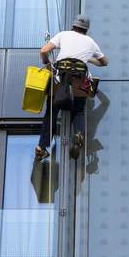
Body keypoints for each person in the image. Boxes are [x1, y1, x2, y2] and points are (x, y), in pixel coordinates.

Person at [35, 14, 108, 162]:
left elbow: (43, 51)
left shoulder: (63, 35)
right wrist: (89, 59)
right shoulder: (91, 42)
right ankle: (79, 133)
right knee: (78, 110)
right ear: (86, 30)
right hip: (80, 80)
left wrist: (47, 62)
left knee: (51, 112)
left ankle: (42, 147)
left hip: (61, 78)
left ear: (73, 26)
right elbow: (104, 62)